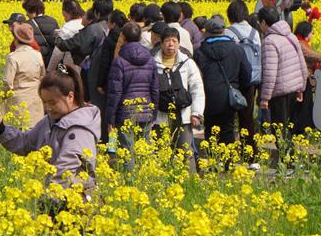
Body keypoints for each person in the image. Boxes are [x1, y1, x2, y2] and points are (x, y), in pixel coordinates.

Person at [0, 66, 101, 220]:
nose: (47, 108)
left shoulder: (79, 130)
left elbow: (65, 170)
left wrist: (44, 199)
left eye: (52, 102)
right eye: (44, 102)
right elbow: (26, 142)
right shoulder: (50, 121)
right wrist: (1, 129)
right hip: (55, 200)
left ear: (70, 97)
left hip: (74, 207)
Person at [194, 17, 252, 149]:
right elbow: (247, 75)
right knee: (228, 129)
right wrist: (237, 87)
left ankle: (214, 161)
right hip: (229, 97)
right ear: (224, 31)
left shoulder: (199, 52)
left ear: (206, 32)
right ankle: (228, 163)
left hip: (207, 96)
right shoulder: (237, 49)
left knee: (210, 129)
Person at [153, 27, 205, 171]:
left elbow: (197, 88)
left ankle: (190, 185)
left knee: (186, 152)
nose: (171, 45)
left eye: (174, 41)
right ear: (161, 43)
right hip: (160, 116)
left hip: (183, 115)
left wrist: (196, 112)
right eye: (167, 41)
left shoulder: (187, 63)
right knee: (161, 153)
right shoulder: (152, 63)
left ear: (179, 44)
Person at [105, 22, 158, 160]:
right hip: (146, 111)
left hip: (126, 113)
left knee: (127, 154)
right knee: (145, 154)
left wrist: (110, 118)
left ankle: (129, 181)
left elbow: (115, 92)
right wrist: (154, 113)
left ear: (122, 37)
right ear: (140, 37)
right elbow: (154, 89)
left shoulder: (119, 61)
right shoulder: (150, 59)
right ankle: (146, 180)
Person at [257, 6, 308, 147]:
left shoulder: (269, 41)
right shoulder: (290, 36)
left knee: (279, 129)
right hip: (293, 90)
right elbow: (301, 63)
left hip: (279, 92)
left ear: (263, 22)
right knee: (288, 127)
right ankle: (290, 161)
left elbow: (270, 72)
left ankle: (286, 162)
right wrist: (301, 88)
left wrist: (265, 97)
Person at [225, 0, 262, 153]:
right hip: (251, 80)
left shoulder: (228, 32)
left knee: (229, 118)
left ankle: (230, 152)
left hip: (232, 81)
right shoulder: (255, 33)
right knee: (247, 118)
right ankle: (250, 153)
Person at [292, 20, 321, 134]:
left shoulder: (302, 42)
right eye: (311, 32)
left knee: (306, 105)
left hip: (306, 80)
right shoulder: (300, 44)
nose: (313, 35)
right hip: (302, 80)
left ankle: (304, 129)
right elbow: (313, 56)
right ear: (306, 32)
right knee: (303, 107)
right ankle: (301, 130)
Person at [3, 23, 46, 128]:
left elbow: (8, 83)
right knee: (34, 129)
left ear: (16, 39)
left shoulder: (13, 57)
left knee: (18, 131)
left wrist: (3, 96)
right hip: (36, 97)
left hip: (18, 99)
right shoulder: (37, 55)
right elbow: (42, 76)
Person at [53, 0, 113, 66]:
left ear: (97, 14)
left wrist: (57, 39)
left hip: (96, 67)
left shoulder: (93, 29)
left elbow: (73, 44)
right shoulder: (114, 25)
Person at [23, 0, 59, 68]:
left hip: (36, 63)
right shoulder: (53, 21)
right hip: (52, 62)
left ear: (33, 11)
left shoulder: (27, 25)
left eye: (27, 11)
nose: (26, 14)